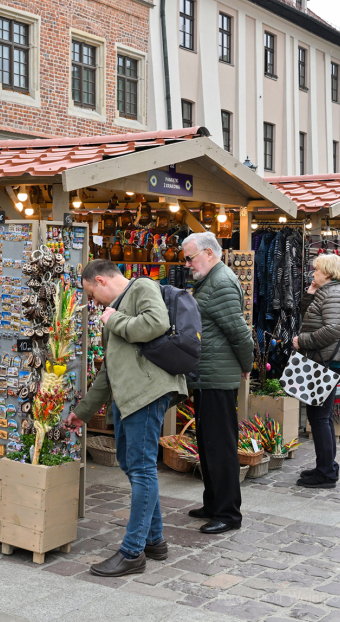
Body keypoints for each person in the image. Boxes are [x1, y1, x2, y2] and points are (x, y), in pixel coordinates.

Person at [64, 260, 187, 577]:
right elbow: (109, 370)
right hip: (128, 397)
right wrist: (83, 414)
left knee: (142, 468)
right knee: (133, 464)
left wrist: (114, 319)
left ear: (101, 281)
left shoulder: (141, 287)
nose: (94, 302)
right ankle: (155, 540)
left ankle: (132, 553)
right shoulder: (115, 311)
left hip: (147, 394)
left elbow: (156, 324)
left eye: (92, 294)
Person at [181, 232, 253, 534]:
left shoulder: (221, 282)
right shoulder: (210, 280)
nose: (186, 264)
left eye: (189, 257)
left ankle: (228, 513)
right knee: (207, 444)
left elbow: (240, 333)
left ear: (209, 253)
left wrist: (247, 366)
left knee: (220, 446)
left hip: (218, 378)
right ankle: (213, 503)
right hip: (208, 375)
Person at [292, 254, 340, 488]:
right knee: (321, 417)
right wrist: (309, 293)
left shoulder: (335, 294)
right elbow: (309, 316)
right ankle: (325, 466)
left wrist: (303, 341)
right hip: (324, 360)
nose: (313, 273)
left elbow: (333, 329)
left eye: (316, 270)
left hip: (327, 361)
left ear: (327, 272)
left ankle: (326, 473)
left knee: (319, 418)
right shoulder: (327, 291)